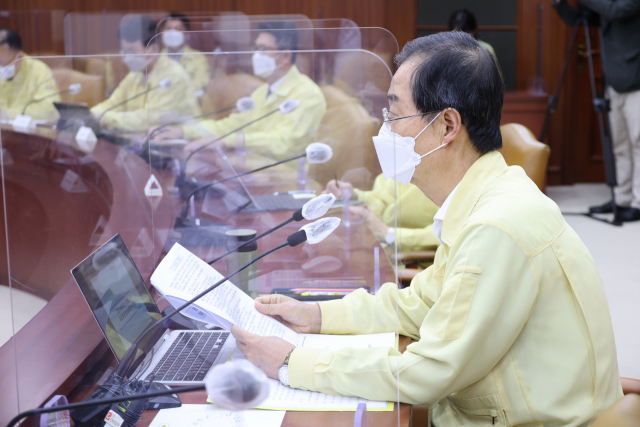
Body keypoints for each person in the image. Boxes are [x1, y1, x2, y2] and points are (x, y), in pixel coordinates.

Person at [231, 32, 622, 426]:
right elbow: (422, 302)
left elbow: (429, 371)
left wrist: (290, 361)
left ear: (447, 124)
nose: (385, 130)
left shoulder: (495, 225)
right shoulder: (489, 194)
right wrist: (315, 315)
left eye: (394, 115)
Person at [154, 20, 326, 164]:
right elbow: (230, 125)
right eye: (255, 48)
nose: (256, 55)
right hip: (253, 172)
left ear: (286, 56)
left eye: (263, 49)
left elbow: (283, 143)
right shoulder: (262, 92)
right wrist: (183, 132)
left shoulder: (307, 94)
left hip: (287, 180)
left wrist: (226, 142)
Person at [554, 0, 640, 222]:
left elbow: (616, 11)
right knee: (620, 145)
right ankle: (621, 199)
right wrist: (560, 4)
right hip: (615, 81)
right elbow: (579, 19)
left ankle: (638, 203)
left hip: (636, 82)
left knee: (638, 143)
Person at [90, 16, 200, 133]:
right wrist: (89, 114)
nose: (126, 57)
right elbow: (113, 103)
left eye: (132, 51)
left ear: (152, 49)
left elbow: (147, 119)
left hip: (181, 145)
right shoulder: (136, 74)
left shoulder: (172, 77)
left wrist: (106, 119)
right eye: (124, 51)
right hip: (145, 140)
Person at [324, 175, 440, 251]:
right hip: (384, 253)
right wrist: (353, 196)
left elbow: (451, 234)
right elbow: (384, 206)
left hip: (417, 266)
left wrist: (389, 234)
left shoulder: (454, 175)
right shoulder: (403, 165)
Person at [0, 28, 60, 121]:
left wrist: (6, 115)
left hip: (27, 132)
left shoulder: (39, 71)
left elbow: (50, 110)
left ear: (19, 57)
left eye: (2, 63)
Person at [160, 12, 211, 97]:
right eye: (168, 29)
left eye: (177, 29)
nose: (172, 33)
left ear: (187, 34)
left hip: (187, 104)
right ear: (162, 32)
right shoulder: (156, 58)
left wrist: (176, 94)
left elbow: (201, 83)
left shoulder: (198, 58)